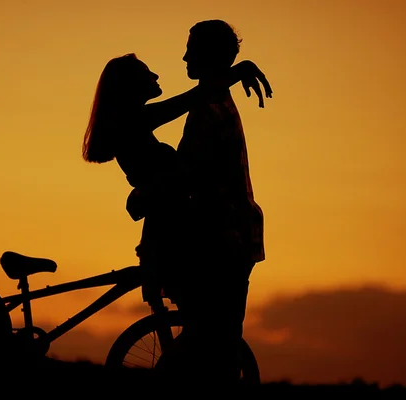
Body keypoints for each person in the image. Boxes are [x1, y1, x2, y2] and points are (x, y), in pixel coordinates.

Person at [81, 54, 270, 307]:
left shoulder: (130, 124)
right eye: (147, 73)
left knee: (197, 323)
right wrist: (239, 70)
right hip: (170, 234)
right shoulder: (134, 122)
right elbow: (194, 97)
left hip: (167, 230)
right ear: (131, 85)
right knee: (203, 325)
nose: (156, 76)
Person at [160, 19, 272, 393]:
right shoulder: (217, 100)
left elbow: (190, 172)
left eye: (192, 48)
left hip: (220, 238)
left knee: (208, 338)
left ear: (207, 55)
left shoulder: (209, 108)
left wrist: (149, 193)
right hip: (235, 235)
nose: (184, 56)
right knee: (219, 338)